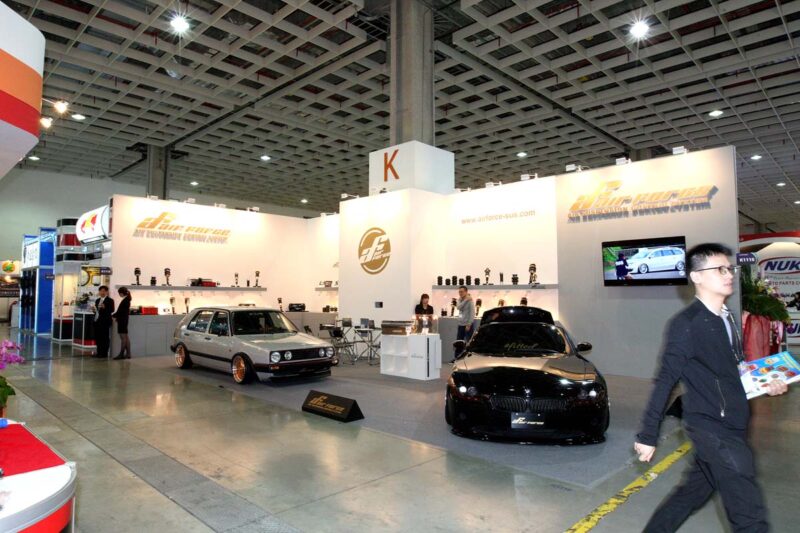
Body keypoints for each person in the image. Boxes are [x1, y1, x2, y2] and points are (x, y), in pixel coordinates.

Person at [634, 243, 788, 533]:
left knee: (691, 495)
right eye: (720, 269)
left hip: (734, 422)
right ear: (696, 277)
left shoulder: (727, 317)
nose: (729, 275)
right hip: (712, 428)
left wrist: (765, 384)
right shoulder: (687, 324)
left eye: (729, 268)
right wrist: (648, 434)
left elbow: (733, 371)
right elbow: (665, 380)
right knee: (749, 514)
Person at [93, 285, 115, 359]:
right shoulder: (97, 300)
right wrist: (94, 310)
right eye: (101, 291)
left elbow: (112, 310)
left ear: (107, 292)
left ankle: (104, 353)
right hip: (98, 321)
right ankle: (99, 352)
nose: (102, 292)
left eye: (104, 291)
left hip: (105, 321)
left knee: (104, 337)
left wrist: (105, 307)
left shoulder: (110, 300)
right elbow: (97, 311)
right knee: (98, 337)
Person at [455, 286, 475, 358]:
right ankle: (457, 358)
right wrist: (466, 300)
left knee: (469, 343)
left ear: (466, 292)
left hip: (467, 325)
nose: (460, 293)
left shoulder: (470, 301)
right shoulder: (460, 300)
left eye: (462, 291)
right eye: (459, 292)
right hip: (460, 324)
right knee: (459, 343)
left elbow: (472, 313)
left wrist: (469, 324)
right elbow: (458, 307)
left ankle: (470, 359)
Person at [112, 287, 132, 360]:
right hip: (124, 320)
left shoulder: (125, 300)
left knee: (123, 338)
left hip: (122, 321)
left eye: (119, 293)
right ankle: (128, 354)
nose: (119, 294)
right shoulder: (127, 299)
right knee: (126, 337)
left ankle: (121, 354)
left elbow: (120, 312)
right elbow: (121, 311)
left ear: (121, 293)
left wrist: (113, 315)